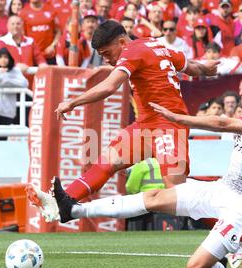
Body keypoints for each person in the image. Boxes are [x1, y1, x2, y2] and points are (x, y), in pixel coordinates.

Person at [28, 58, 242, 268]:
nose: (240, 91)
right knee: (154, 197)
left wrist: (178, 118)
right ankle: (73, 209)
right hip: (223, 190)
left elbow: (222, 124)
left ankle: (221, 262)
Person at [26, 19, 220, 212]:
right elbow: (192, 67)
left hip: (169, 125)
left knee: (177, 192)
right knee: (105, 163)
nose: (107, 59)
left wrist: (73, 102)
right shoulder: (155, 45)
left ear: (121, 42)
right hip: (144, 125)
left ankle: (219, 200)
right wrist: (207, 68)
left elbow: (110, 86)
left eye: (107, 53)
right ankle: (60, 204)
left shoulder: (132, 51)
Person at [18, 0, 61, 65]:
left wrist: (53, 46)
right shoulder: (23, 13)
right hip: (32, 55)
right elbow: (21, 35)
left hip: (49, 54)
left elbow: (58, 32)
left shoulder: (51, 10)